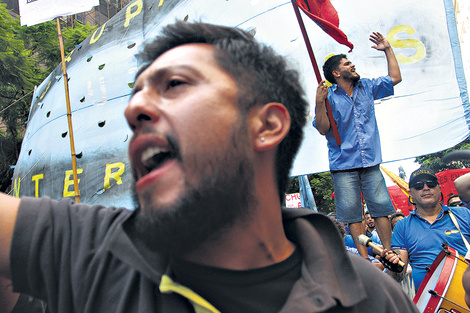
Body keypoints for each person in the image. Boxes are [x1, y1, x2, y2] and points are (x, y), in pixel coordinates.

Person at [0, 21, 419, 313]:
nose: (135, 110)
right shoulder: (94, 252)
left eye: (175, 85)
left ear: (267, 124)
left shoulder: (373, 300)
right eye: (138, 94)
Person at [313, 31, 402, 260]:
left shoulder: (367, 87)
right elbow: (323, 128)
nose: (352, 65)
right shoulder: (329, 97)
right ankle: (364, 260)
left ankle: (388, 252)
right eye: (346, 63)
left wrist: (387, 49)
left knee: (381, 208)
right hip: (343, 166)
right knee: (352, 216)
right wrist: (319, 102)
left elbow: (395, 78)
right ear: (336, 73)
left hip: (370, 161)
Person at [382, 168, 470, 290]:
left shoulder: (463, 214)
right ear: (410, 193)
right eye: (418, 186)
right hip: (430, 303)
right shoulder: (402, 226)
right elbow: (398, 276)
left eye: (431, 184)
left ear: (439, 188)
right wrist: (393, 266)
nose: (425, 188)